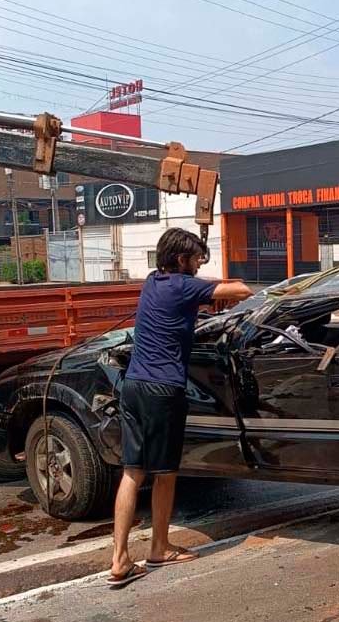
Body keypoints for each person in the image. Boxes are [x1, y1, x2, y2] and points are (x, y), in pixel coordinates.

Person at [107, 228, 253, 587]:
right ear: (180, 260)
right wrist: (214, 286)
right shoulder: (183, 286)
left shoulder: (154, 283)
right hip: (163, 391)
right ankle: (159, 547)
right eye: (196, 259)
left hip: (134, 385)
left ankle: (119, 557)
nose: (199, 264)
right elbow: (242, 291)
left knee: (132, 472)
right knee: (165, 472)